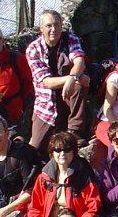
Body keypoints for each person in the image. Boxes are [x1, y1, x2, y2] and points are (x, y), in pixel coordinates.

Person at [26, 9, 91, 153]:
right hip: (46, 104)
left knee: (79, 84)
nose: (53, 29)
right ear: (41, 28)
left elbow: (79, 61)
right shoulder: (33, 49)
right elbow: (47, 82)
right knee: (36, 148)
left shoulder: (70, 39)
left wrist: (73, 79)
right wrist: (72, 78)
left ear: (61, 25)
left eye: (56, 25)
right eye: (49, 26)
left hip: (68, 96)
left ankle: (75, 131)